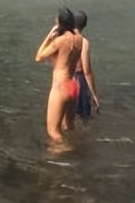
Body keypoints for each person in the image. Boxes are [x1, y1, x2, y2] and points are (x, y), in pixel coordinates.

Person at [34, 7, 83, 143]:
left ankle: (66, 152)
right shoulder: (79, 39)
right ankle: (76, 147)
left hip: (60, 87)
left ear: (60, 24)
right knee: (69, 126)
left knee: (53, 132)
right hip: (73, 86)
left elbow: (38, 57)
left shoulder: (60, 41)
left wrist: (49, 37)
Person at [73, 10, 101, 119]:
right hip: (78, 80)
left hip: (64, 78)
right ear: (85, 25)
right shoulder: (84, 42)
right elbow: (86, 70)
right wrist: (94, 95)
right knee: (82, 116)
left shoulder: (64, 40)